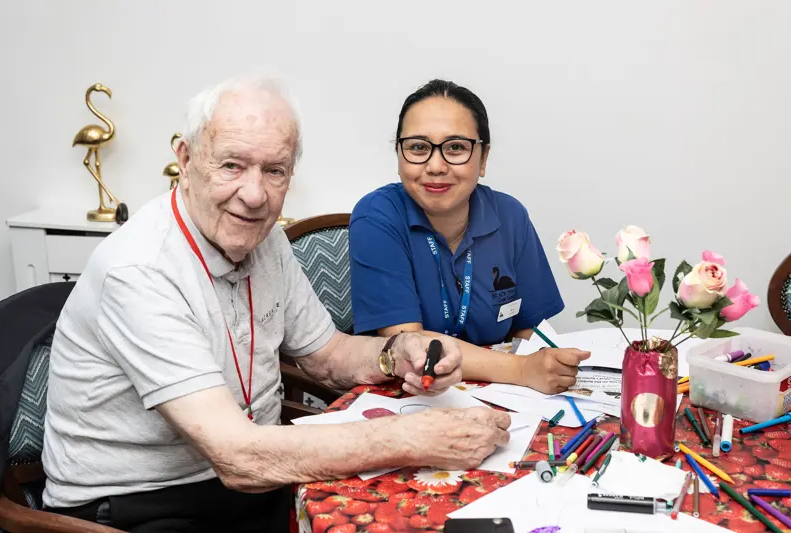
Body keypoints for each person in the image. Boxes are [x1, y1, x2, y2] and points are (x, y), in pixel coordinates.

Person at [40, 74, 511, 533]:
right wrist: (413, 438)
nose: (254, 195)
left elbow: (328, 356)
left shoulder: (265, 241)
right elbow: (237, 457)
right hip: (137, 506)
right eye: (232, 165)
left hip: (254, 485)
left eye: (274, 170)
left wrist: (397, 352)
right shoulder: (139, 270)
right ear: (185, 159)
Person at [349, 79, 590, 395]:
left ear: (484, 158)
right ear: (399, 154)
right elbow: (412, 347)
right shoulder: (376, 217)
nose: (436, 166)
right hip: (410, 395)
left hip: (505, 394)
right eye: (418, 147)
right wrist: (523, 369)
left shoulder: (510, 216)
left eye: (456, 148)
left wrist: (545, 367)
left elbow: (529, 331)